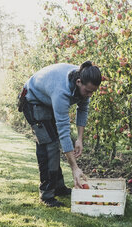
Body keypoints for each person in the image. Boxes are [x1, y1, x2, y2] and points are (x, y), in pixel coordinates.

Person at [18, 61, 102, 207]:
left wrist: (80, 140)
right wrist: (75, 168)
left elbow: (82, 111)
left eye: (93, 92)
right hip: (32, 100)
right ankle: (47, 194)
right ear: (78, 82)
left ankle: (58, 187)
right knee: (49, 144)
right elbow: (64, 132)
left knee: (54, 140)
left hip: (46, 100)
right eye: (88, 91)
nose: (89, 95)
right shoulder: (61, 91)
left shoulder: (85, 80)